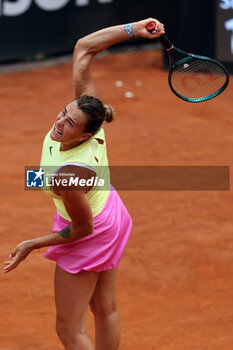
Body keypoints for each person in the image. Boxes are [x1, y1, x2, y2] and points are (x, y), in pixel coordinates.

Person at [4, 18, 165, 350]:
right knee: (104, 308)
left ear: (86, 135)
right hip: (111, 209)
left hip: (91, 229)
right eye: (64, 112)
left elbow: (81, 229)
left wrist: (33, 244)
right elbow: (84, 48)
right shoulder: (92, 115)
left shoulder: (72, 174)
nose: (60, 121)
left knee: (68, 328)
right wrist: (135, 28)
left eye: (70, 123)